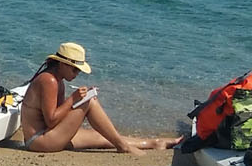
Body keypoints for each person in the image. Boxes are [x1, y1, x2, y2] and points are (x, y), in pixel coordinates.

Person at [17, 42, 176, 153]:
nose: (77, 74)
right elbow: (51, 120)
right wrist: (74, 100)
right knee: (91, 102)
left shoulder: (58, 81)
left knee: (103, 136)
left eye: (78, 71)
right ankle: (124, 147)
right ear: (62, 64)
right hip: (39, 141)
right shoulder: (49, 80)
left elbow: (58, 117)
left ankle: (153, 143)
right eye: (75, 70)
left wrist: (78, 101)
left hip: (48, 134)